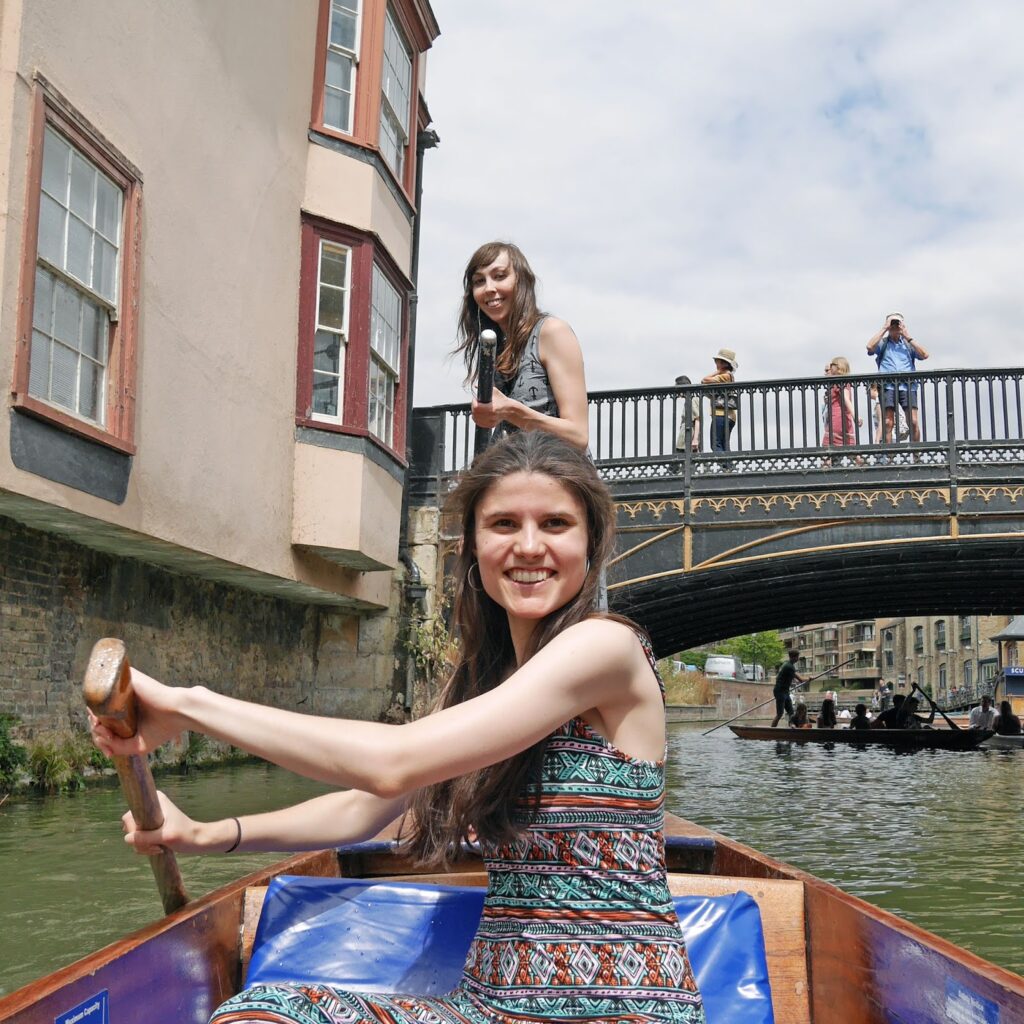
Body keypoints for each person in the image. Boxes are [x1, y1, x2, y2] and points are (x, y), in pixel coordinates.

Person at [89, 432, 706, 1024]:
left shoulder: (606, 647)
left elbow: (392, 761)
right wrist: (206, 833)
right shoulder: (487, 691)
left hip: (623, 1007)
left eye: (554, 524)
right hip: (488, 1007)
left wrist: (190, 705)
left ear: (590, 542)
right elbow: (365, 809)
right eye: (503, 524)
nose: (527, 546)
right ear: (472, 548)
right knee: (257, 1014)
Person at [455, 241, 589, 449]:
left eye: (499, 276)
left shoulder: (552, 332)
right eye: (479, 281)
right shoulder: (495, 348)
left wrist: (510, 411)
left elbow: (578, 436)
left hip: (559, 473)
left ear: (522, 281)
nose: (489, 288)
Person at [865, 312, 930, 443]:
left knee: (913, 421)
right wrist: (884, 328)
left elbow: (925, 354)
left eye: (897, 323)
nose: (894, 326)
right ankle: (890, 458)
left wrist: (908, 336)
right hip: (887, 386)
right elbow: (869, 347)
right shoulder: (883, 343)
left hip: (908, 386)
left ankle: (916, 455)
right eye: (892, 323)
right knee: (888, 422)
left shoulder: (907, 344)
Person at [702, 348, 738, 453]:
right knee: (723, 445)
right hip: (728, 415)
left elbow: (704, 380)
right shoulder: (726, 375)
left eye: (717, 361)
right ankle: (728, 467)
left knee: (715, 444)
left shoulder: (726, 376)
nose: (716, 363)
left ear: (724, 363)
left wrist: (717, 371)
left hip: (721, 414)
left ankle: (726, 467)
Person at [822, 357, 861, 448]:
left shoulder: (840, 382)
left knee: (827, 454)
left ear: (839, 367)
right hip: (845, 421)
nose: (830, 367)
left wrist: (856, 416)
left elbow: (846, 398)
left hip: (836, 420)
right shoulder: (839, 383)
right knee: (853, 454)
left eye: (832, 365)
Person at [771, 649, 806, 727]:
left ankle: (792, 727)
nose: (798, 658)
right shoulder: (789, 667)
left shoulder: (787, 664)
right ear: (793, 657)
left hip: (785, 692)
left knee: (791, 713)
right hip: (780, 692)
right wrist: (810, 679)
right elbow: (801, 680)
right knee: (779, 714)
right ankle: (772, 731)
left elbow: (795, 678)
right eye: (797, 657)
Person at [674, 374, 702, 451]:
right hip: (684, 440)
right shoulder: (688, 400)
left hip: (688, 441)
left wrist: (695, 440)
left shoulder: (692, 399)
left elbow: (697, 419)